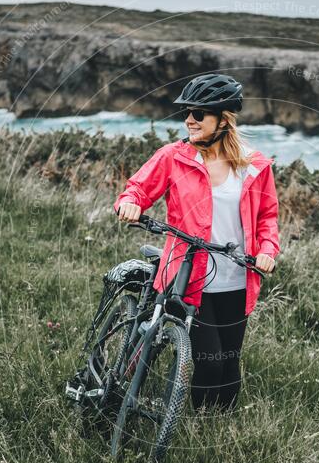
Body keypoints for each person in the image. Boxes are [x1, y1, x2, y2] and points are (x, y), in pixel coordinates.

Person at [114, 73, 280, 413]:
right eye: (187, 112)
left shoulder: (254, 166)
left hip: (237, 278)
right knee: (210, 363)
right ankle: (199, 427)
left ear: (223, 119)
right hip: (190, 276)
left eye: (199, 113)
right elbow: (137, 190)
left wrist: (267, 250)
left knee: (230, 366)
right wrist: (129, 204)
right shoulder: (174, 157)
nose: (189, 119)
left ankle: (221, 435)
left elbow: (267, 218)